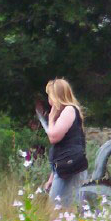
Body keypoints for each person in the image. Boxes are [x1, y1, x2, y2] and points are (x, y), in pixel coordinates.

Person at [40, 78, 88, 208]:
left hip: (69, 168)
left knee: (56, 210)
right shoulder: (68, 112)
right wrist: (52, 177)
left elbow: (54, 137)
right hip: (64, 167)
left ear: (56, 96)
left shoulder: (69, 110)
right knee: (64, 210)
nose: (48, 100)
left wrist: (50, 119)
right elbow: (61, 149)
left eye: (49, 95)